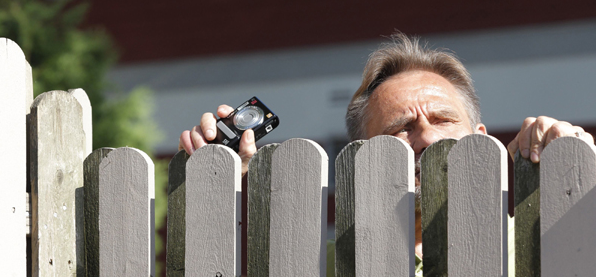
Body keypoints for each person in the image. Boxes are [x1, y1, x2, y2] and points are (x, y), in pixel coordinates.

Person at [178, 33, 594, 273]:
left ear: (480, 137)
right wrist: (219, 197)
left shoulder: (550, 239)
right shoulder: (315, 265)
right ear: (362, 158)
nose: (428, 139)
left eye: (444, 119)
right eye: (401, 128)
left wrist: (576, 165)